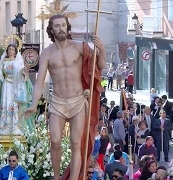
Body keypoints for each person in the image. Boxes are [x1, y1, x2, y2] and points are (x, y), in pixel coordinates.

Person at [24, 14, 105, 180]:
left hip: (77, 101)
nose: (61, 28)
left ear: (67, 27)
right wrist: (34, 104)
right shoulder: (47, 53)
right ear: (51, 30)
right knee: (55, 141)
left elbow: (99, 66)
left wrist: (101, 49)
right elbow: (39, 82)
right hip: (58, 102)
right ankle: (56, 177)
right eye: (57, 26)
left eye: (63, 25)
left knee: (76, 143)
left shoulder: (79, 47)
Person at [0, 44, 34, 137]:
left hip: (16, 85)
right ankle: (4, 128)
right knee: (5, 103)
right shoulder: (3, 61)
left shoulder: (18, 62)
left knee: (15, 104)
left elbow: (22, 71)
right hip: (6, 86)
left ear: (16, 51)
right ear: (7, 51)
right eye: (9, 49)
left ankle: (16, 128)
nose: (11, 51)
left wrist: (24, 71)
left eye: (12, 49)